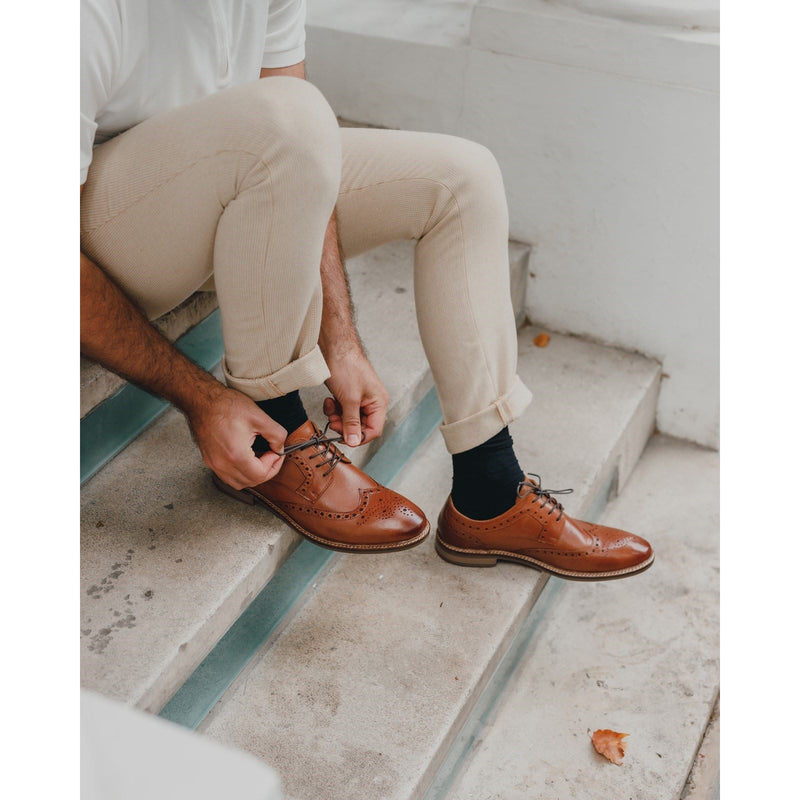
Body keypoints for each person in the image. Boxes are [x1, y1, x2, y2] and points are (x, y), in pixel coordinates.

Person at [80, 0, 653, 580]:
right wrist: (202, 400)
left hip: (216, 195)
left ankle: (491, 492)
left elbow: (304, 148)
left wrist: (341, 339)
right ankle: (274, 428)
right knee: (288, 112)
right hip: (100, 237)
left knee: (461, 177)